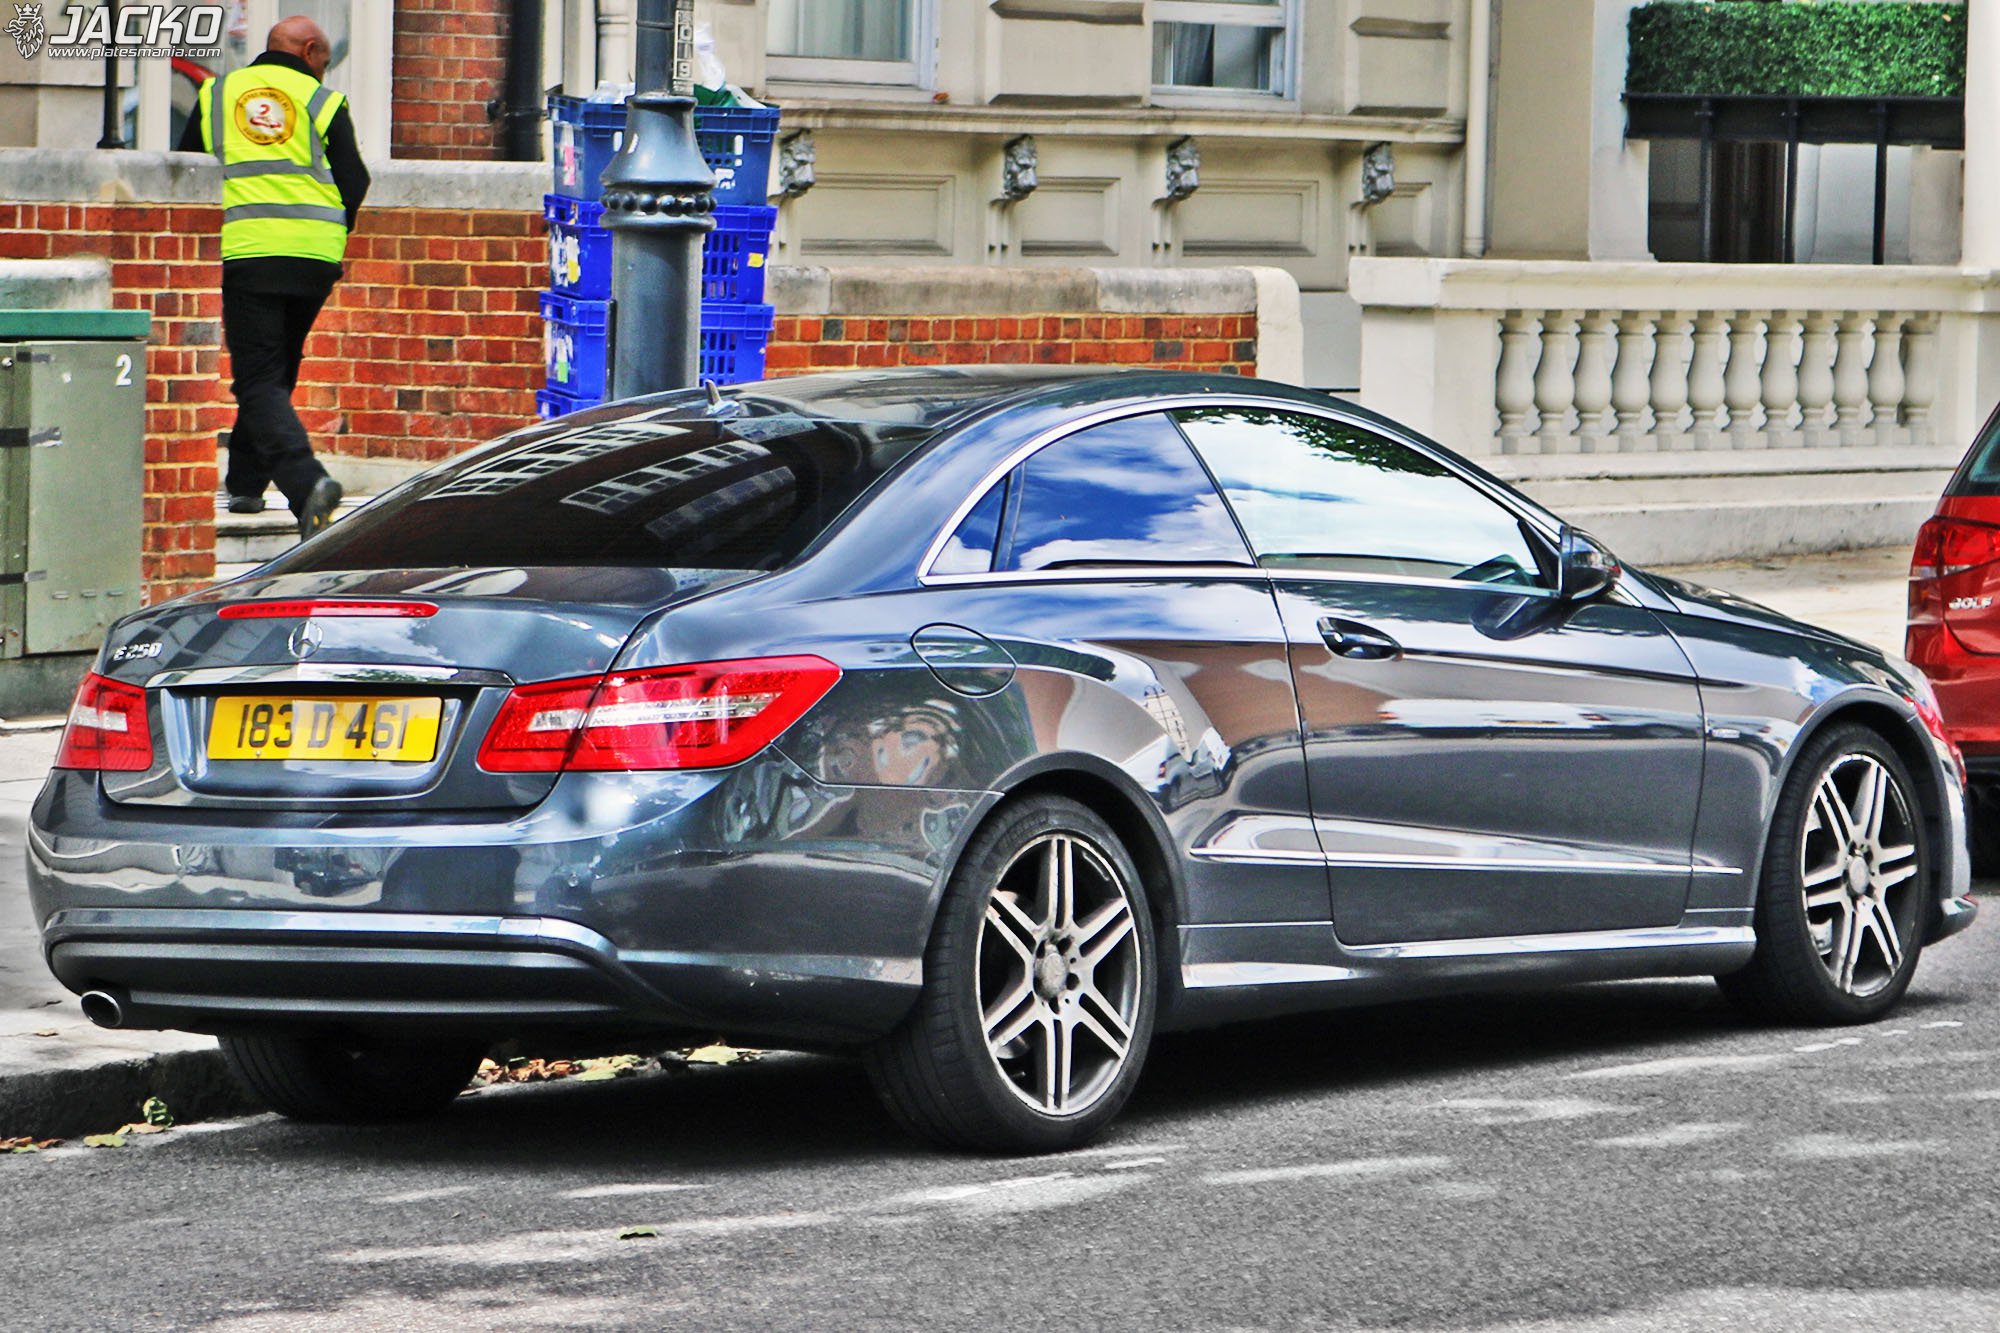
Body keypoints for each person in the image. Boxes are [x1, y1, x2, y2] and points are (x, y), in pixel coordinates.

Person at [177, 16, 368, 539]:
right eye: (323, 62)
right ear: (309, 51)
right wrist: (331, 236)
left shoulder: (218, 93)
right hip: (313, 255)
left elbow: (184, 170)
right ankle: (245, 481)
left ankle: (306, 485)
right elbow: (355, 179)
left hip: (249, 251)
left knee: (259, 376)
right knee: (277, 369)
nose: (322, 71)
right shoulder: (321, 101)